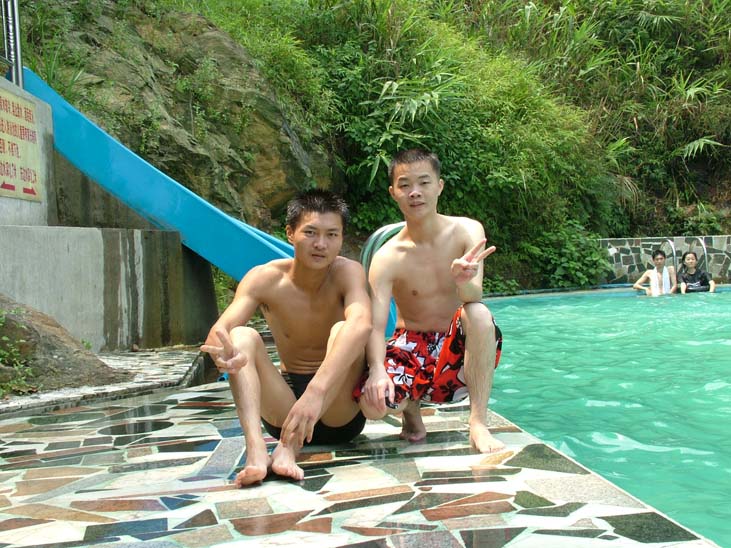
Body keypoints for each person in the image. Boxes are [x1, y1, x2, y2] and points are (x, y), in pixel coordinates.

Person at [201, 189, 371, 487]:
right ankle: (256, 451)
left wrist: (315, 394)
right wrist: (226, 354)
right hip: (285, 406)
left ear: (341, 238)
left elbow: (362, 324)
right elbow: (219, 333)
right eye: (310, 233)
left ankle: (288, 449)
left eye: (332, 235)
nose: (321, 244)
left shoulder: (348, 273)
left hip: (339, 410)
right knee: (240, 336)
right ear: (290, 233)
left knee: (343, 329)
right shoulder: (265, 278)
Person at [354, 148, 505, 454]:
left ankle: (478, 422)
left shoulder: (467, 230)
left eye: (424, 182)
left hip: (456, 346)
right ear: (393, 193)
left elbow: (473, 296)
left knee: (478, 313)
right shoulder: (387, 257)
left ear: (439, 186)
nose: (415, 192)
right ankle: (411, 410)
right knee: (374, 406)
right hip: (411, 345)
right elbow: (376, 325)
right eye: (405, 185)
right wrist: (377, 370)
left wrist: (462, 281)